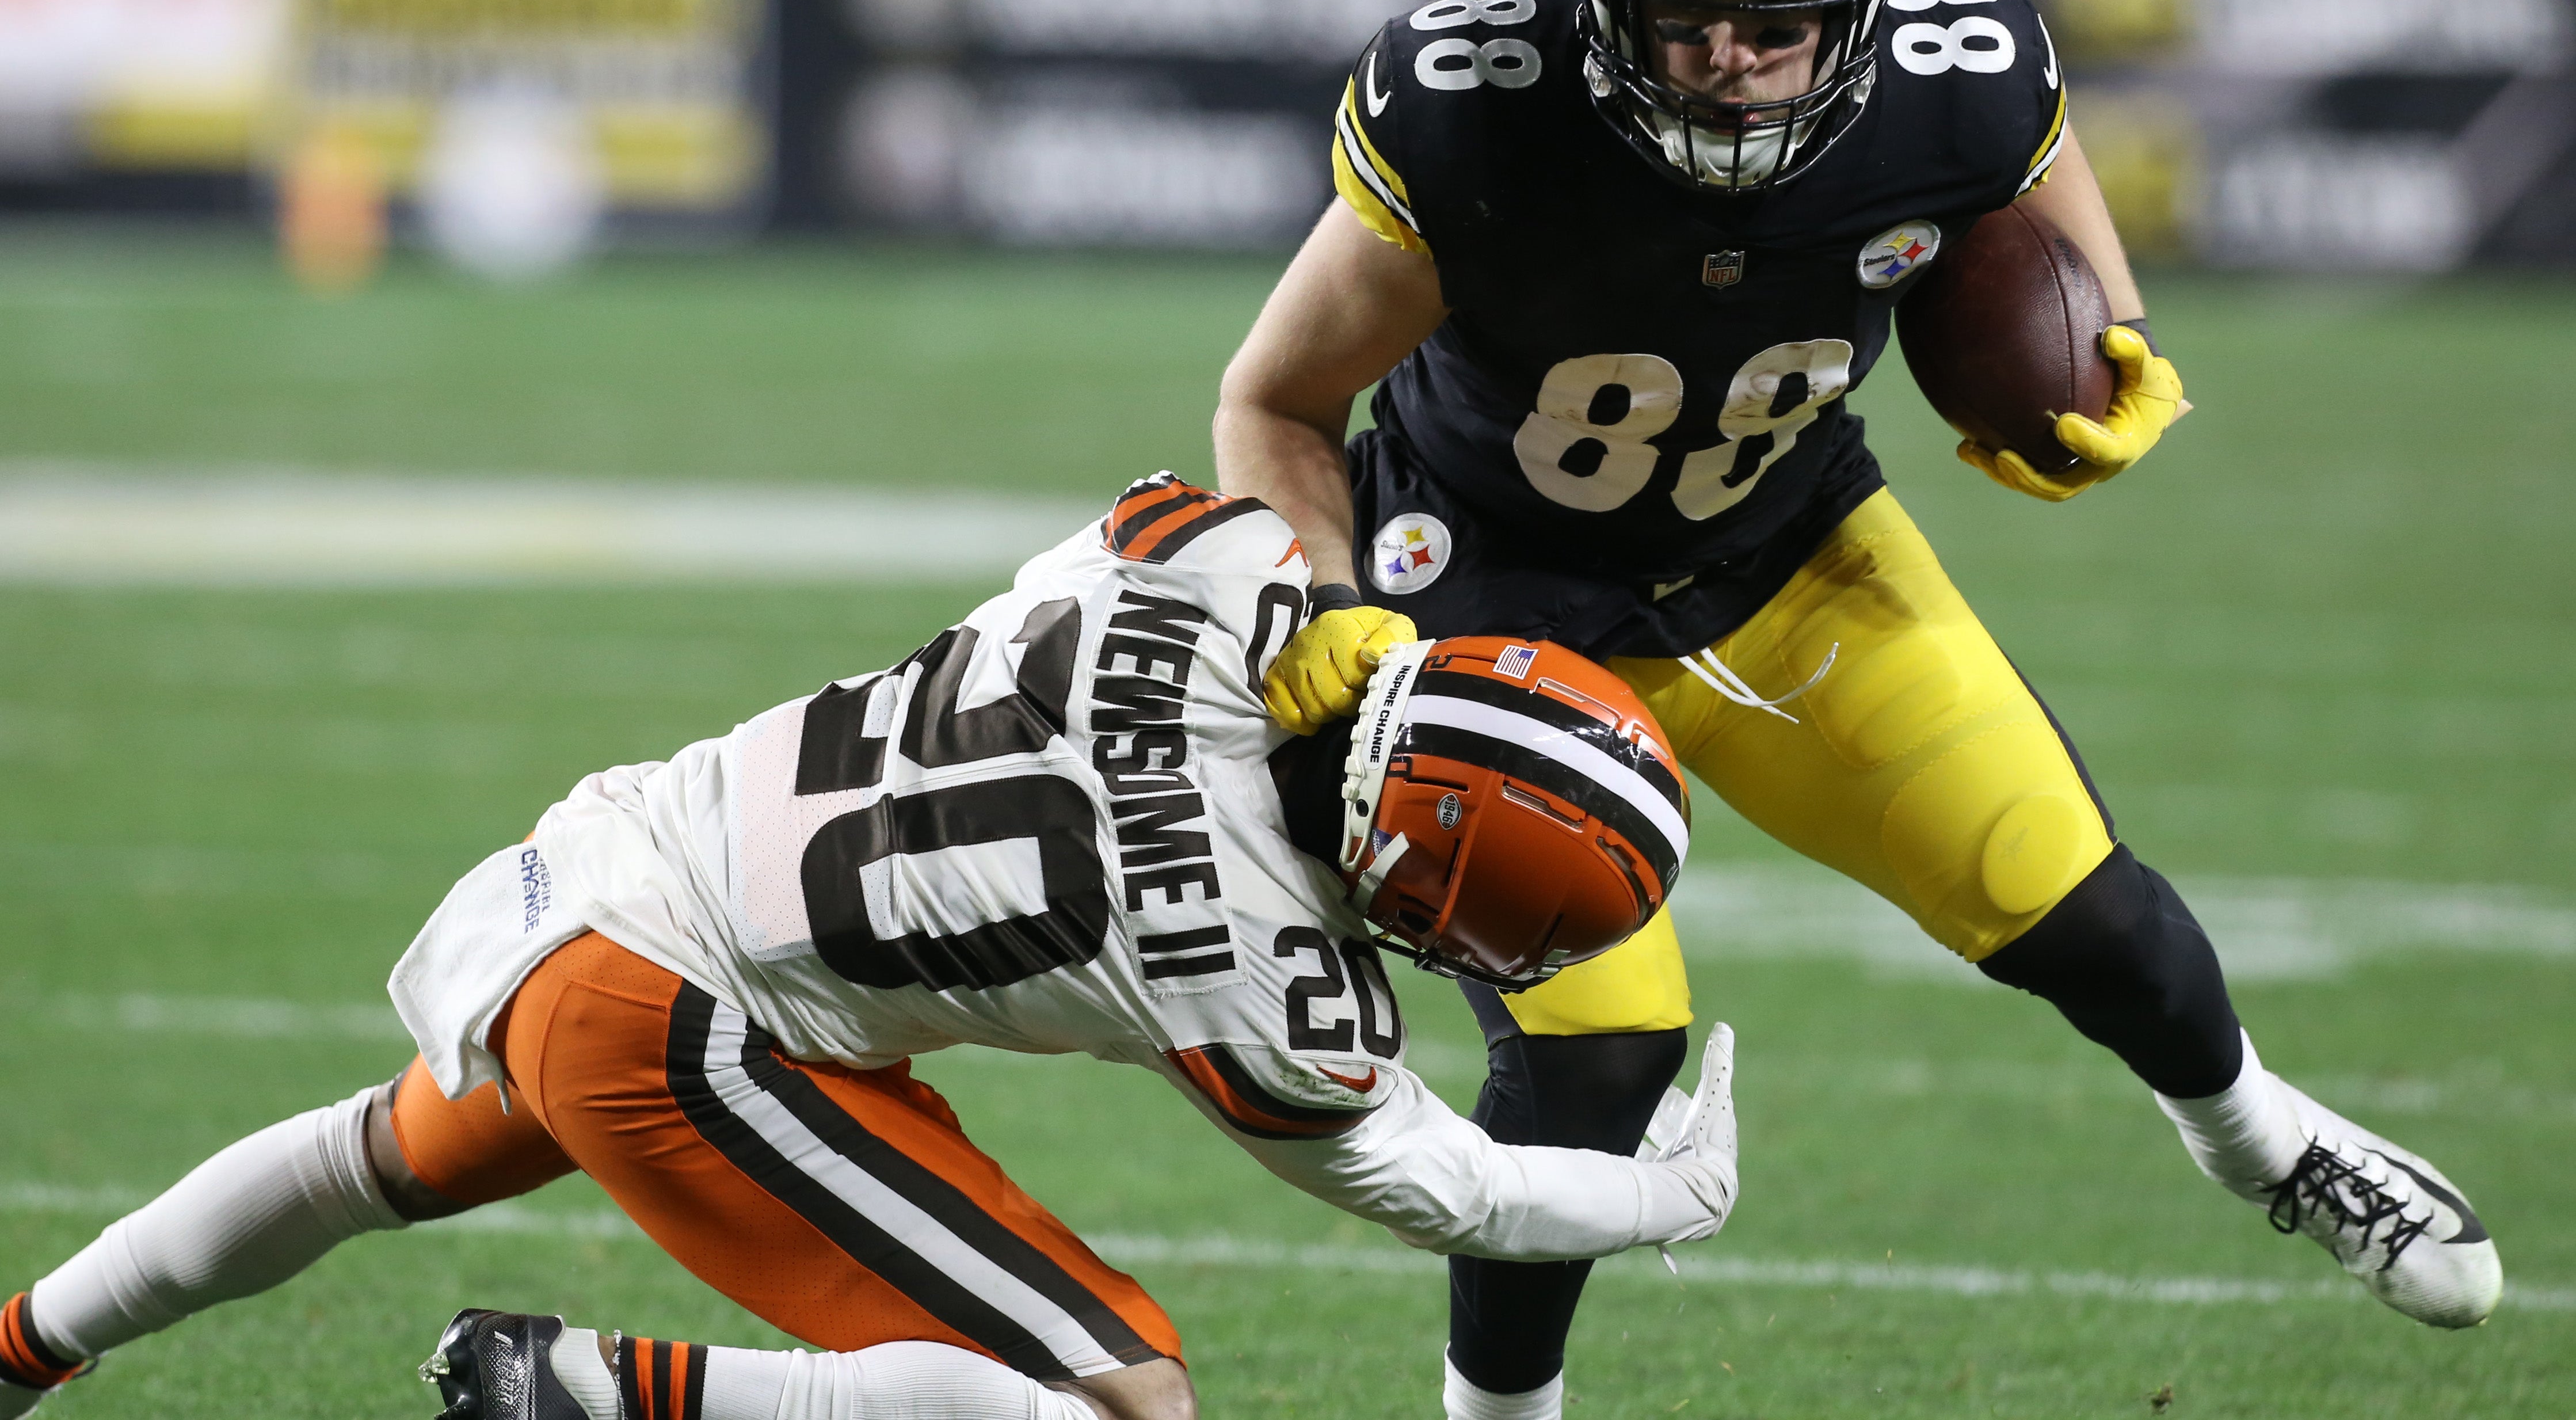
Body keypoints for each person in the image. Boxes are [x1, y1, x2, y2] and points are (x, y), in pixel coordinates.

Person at [1213, 0, 2501, 1420]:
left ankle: (2265, 1139)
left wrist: (2103, 363)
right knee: (1598, 1052)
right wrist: (1329, 609)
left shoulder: (1956, 70)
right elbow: (1273, 396)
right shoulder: (1471, 110)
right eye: (1684, 20)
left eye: (1777, 24)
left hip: (1786, 544)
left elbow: (2057, 237)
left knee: (2085, 910)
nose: (1732, 62)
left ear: (1866, 4)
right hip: (1489, 599)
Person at [0, 475, 1736, 1420]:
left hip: (601, 861)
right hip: (680, 1015)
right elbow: (1467, 1193)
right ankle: (590, 1389)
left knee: (368, 1152)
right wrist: (1662, 1198)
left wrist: (1312, 621)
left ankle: (18, 1346)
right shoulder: (1263, 975)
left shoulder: (1211, 571)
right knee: (1125, 1398)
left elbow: (1149, 532)